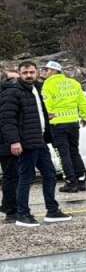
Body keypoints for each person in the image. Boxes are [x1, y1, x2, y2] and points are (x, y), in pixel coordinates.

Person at [0, 61, 71, 226]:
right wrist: (15, 141)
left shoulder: (37, 89)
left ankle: (52, 210)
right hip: (25, 142)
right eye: (25, 73)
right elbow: (7, 120)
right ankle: (22, 214)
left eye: (31, 72)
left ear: (37, 72)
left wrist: (49, 135)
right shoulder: (13, 92)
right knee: (25, 177)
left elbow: (41, 114)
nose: (29, 75)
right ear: (19, 74)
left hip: (39, 140)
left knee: (50, 174)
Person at [41, 60, 86, 193]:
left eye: (47, 70)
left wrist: (48, 116)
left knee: (64, 154)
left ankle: (70, 182)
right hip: (73, 122)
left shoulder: (48, 84)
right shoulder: (73, 83)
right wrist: (84, 117)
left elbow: (47, 102)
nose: (44, 72)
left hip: (57, 123)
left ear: (53, 71)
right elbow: (83, 101)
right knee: (74, 151)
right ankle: (81, 181)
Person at [1, 69, 17, 223]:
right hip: (7, 141)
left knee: (9, 176)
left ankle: (8, 207)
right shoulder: (11, 95)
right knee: (12, 177)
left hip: (5, 141)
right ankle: (11, 210)